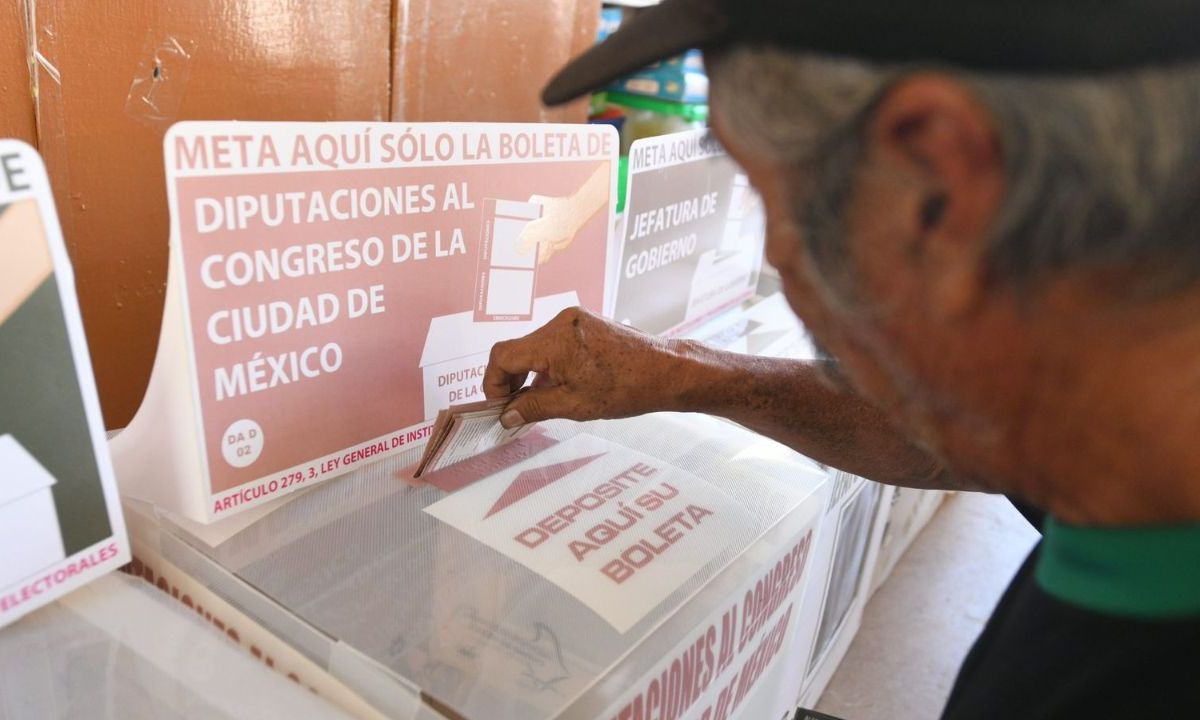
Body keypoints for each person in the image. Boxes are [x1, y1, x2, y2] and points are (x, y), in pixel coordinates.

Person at [480, 0, 1200, 717]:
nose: (777, 257)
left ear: (938, 184)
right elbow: (944, 433)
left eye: (769, 196)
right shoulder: (1103, 448)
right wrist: (679, 372)